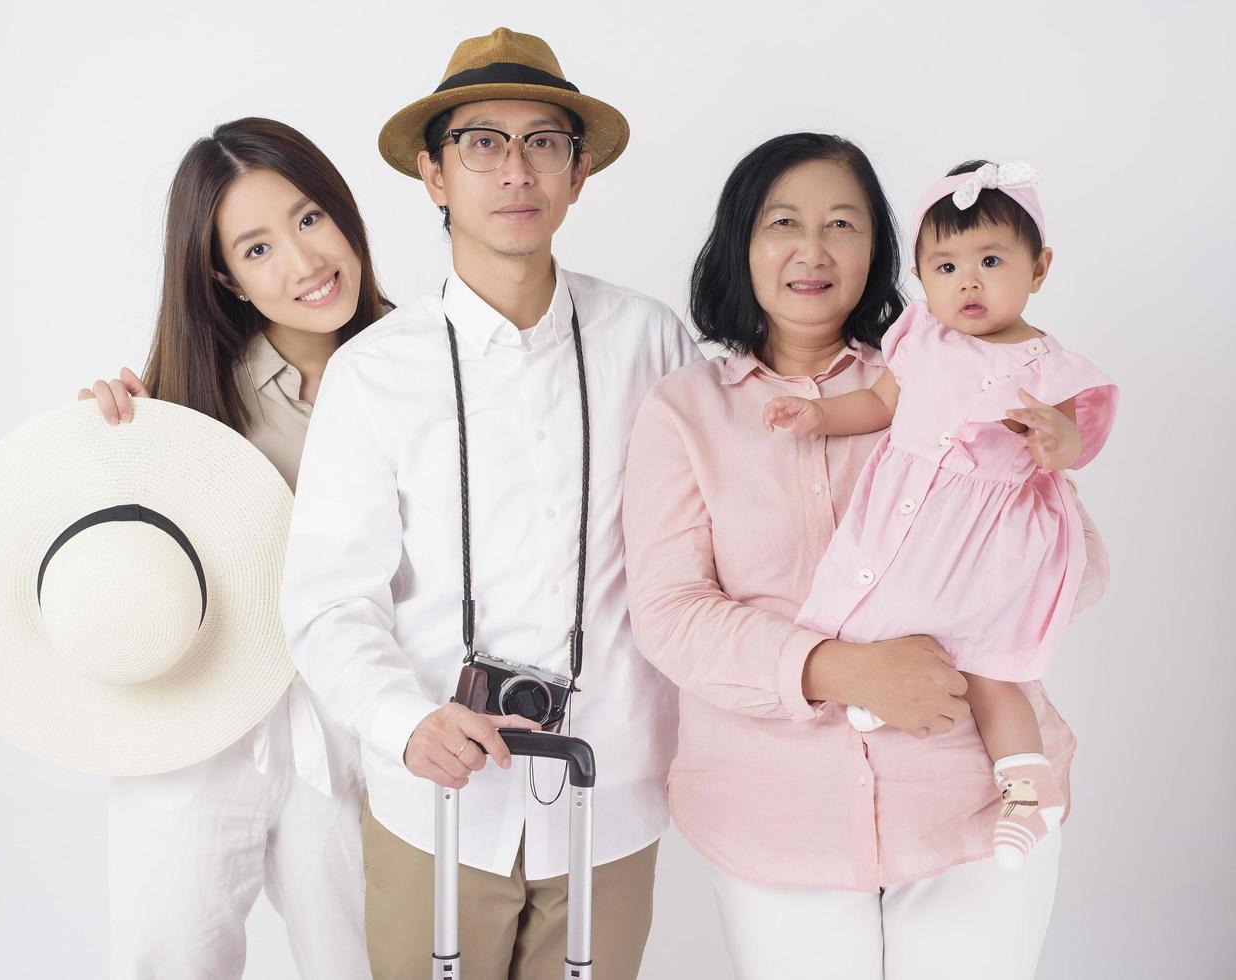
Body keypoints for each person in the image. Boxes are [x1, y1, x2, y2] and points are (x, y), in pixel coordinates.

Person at [622, 134, 1109, 980]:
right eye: (784, 223)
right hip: (776, 810)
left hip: (970, 792)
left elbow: (1079, 578)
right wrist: (838, 669)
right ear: (741, 243)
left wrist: (1038, 464)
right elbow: (669, 614)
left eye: (843, 225)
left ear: (884, 256)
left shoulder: (953, 377)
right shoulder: (683, 411)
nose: (813, 250)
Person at [280, 27, 699, 979]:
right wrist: (401, 721)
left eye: (543, 141)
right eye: (481, 142)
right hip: (437, 803)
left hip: (613, 789)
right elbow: (326, 599)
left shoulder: (650, 340)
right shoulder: (373, 372)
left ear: (578, 172)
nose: (515, 169)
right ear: (434, 175)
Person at [78, 116, 384, 979]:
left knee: (368, 960)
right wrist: (106, 449)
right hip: (198, 730)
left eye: (310, 219)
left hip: (355, 732)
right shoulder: (182, 404)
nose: (302, 261)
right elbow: (110, 574)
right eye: (256, 249)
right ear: (223, 276)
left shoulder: (424, 369)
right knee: (172, 956)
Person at [763, 159, 1118, 869]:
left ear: (1039, 267)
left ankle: (1027, 786)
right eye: (947, 265)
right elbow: (880, 406)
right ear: (923, 280)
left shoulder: (1049, 364)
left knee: (992, 667)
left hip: (992, 537)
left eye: (991, 260)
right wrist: (818, 415)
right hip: (909, 518)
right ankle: (866, 703)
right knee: (864, 610)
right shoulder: (921, 338)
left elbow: (1082, 440)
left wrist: (1058, 439)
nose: (970, 281)